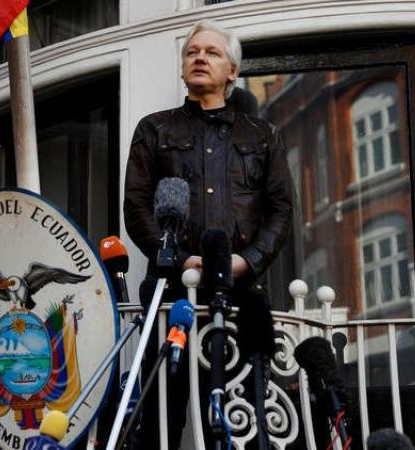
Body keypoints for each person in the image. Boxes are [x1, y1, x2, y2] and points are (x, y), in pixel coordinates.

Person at [123, 20, 293, 449]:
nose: (199, 57)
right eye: (192, 52)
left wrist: (246, 261)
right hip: (171, 297)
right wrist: (181, 260)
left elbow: (280, 210)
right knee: (159, 422)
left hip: (240, 295)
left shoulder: (263, 135)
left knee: (242, 418)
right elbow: (136, 207)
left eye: (212, 52)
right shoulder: (154, 129)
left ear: (232, 71)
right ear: (182, 68)